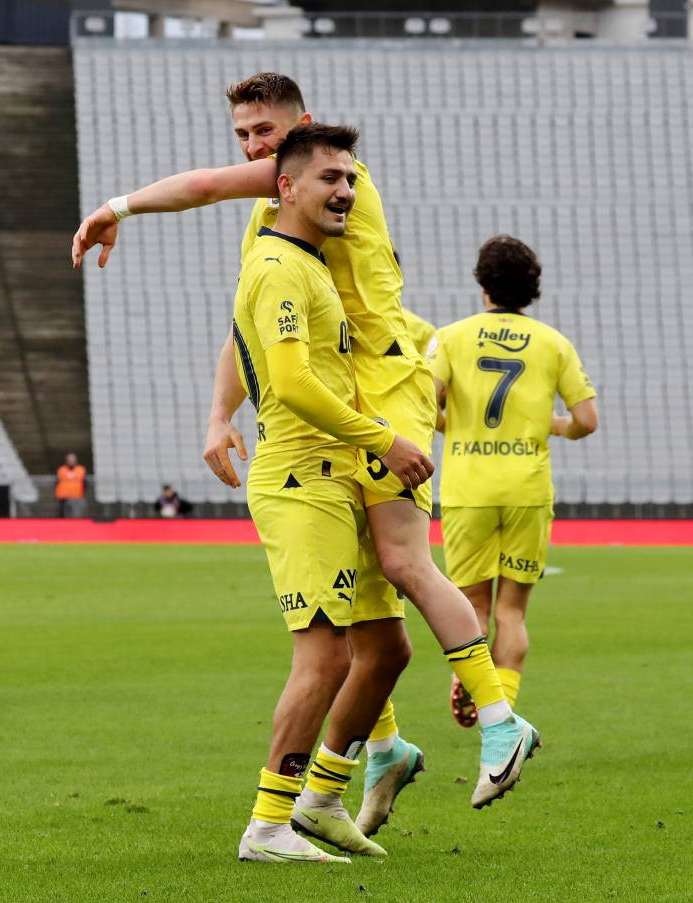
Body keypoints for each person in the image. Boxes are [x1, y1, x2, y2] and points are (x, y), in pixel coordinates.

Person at [72, 72, 539, 817]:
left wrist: (116, 206)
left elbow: (199, 186)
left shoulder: (329, 182)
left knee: (400, 559)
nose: (256, 147)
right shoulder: (276, 219)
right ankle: (372, 757)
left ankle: (499, 718)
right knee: (362, 608)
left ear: (305, 130)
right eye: (245, 136)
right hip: (341, 407)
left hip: (385, 390)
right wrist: (218, 415)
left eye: (266, 131)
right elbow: (246, 323)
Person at [230, 123, 433, 861]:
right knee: (324, 659)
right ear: (286, 187)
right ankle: (267, 823)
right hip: (301, 476)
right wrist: (384, 438)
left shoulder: (315, 265)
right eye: (329, 179)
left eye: (350, 179)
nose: (345, 190)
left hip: (336, 474)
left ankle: (320, 799)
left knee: (385, 648)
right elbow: (287, 381)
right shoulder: (279, 267)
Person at [428, 235, 597, 726]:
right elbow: (586, 418)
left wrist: (453, 424)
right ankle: (503, 719)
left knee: (474, 612)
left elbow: (426, 402)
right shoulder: (553, 343)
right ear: (532, 289)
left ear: (483, 283)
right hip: (527, 487)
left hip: (469, 490)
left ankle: (474, 682)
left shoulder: (451, 337)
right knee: (514, 614)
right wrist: (558, 427)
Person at [55, 452, 87, 517]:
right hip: (63, 497)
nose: (71, 461)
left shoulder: (81, 469)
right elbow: (57, 482)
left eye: (72, 460)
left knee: (76, 515)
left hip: (76, 496)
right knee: (63, 516)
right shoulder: (61, 469)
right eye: (69, 460)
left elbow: (85, 483)